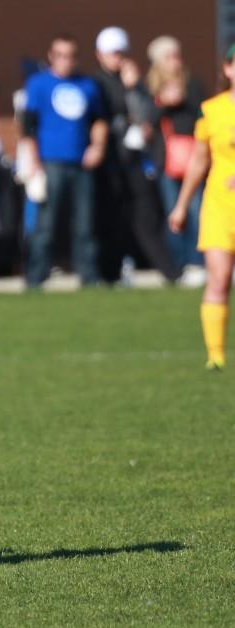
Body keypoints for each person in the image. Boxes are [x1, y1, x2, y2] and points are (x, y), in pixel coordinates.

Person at [92, 26, 180, 286]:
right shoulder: (96, 83)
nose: (117, 58)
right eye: (112, 53)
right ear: (100, 55)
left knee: (147, 216)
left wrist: (133, 88)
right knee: (112, 219)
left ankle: (170, 271)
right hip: (110, 162)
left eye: (120, 52)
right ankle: (109, 274)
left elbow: (148, 118)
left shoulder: (135, 83)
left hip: (135, 162)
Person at [167, 45, 235, 371]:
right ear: (228, 69)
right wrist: (181, 205)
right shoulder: (211, 110)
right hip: (220, 206)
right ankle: (216, 356)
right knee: (219, 278)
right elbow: (198, 161)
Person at [22, 35, 108, 288]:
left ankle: (89, 277)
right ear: (50, 56)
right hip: (50, 162)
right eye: (60, 55)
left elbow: (99, 120)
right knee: (45, 225)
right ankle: (36, 277)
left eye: (70, 55)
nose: (65, 61)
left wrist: (97, 147)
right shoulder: (38, 84)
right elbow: (28, 126)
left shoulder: (88, 86)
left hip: (81, 163)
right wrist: (34, 161)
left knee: (85, 224)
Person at [148, 35, 206, 284]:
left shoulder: (192, 84)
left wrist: (183, 99)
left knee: (195, 211)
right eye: (170, 56)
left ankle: (198, 263)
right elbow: (147, 121)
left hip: (193, 159)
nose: (176, 61)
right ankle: (177, 266)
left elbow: (204, 115)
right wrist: (164, 103)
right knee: (173, 213)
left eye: (177, 55)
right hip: (167, 162)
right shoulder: (151, 87)